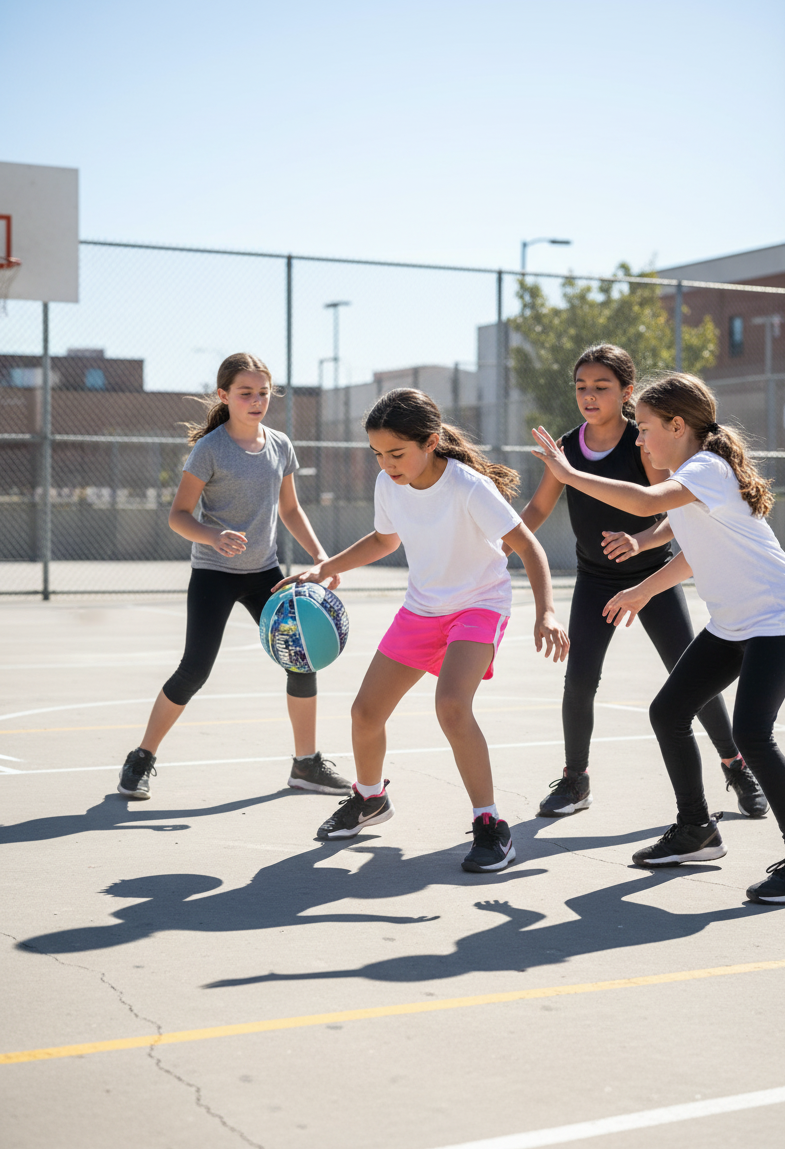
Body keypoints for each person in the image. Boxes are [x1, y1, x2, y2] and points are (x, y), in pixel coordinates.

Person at [531, 372, 785, 905]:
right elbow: (691, 549)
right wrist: (643, 590)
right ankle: (697, 829)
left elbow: (647, 504)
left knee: (753, 734)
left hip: (776, 619)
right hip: (733, 623)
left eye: (647, 427)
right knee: (668, 711)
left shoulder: (705, 469)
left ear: (678, 425)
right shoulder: (688, 476)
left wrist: (569, 472)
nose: (640, 438)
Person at [278, 387, 569, 872]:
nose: (386, 464)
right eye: (377, 454)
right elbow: (383, 538)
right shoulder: (390, 485)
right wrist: (325, 566)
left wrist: (547, 612)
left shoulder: (468, 486)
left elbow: (528, 545)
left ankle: (491, 826)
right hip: (422, 608)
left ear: (430, 442)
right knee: (365, 712)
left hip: (479, 604)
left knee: (452, 707)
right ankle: (370, 798)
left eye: (396, 453)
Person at [518, 344, 765, 820]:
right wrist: (501, 543)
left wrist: (641, 542)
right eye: (581, 387)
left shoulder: (643, 441)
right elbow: (538, 510)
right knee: (579, 680)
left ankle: (735, 766)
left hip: (652, 577)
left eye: (601, 387)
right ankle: (575, 780)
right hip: (595, 580)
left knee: (693, 678)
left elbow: (668, 508)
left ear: (627, 392)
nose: (589, 396)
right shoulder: (568, 447)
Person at [117, 352, 350, 801]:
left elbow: (291, 509)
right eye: (246, 393)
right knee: (194, 670)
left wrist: (322, 560)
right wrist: (212, 535)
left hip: (266, 574)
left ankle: (306, 765)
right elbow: (178, 516)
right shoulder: (211, 449)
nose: (257, 400)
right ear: (224, 396)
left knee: (300, 658)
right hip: (215, 574)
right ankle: (141, 757)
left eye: (264, 393)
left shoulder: (280, 444)